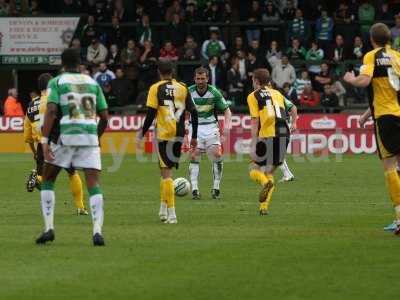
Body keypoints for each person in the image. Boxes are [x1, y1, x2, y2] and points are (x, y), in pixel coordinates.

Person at [35, 49, 109, 246]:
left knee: (48, 177)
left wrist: (43, 141)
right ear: (80, 63)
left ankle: (49, 228)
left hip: (67, 135)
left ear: (63, 63)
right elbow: (105, 117)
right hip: (90, 136)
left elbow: (51, 111)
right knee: (93, 183)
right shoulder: (93, 82)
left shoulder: (56, 82)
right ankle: (97, 232)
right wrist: (97, 136)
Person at [343, 23, 400, 235]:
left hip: (385, 117)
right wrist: (366, 115)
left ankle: (399, 217)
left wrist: (350, 79)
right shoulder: (397, 57)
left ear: (372, 39)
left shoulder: (371, 56)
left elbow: (365, 81)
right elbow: (391, 90)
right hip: (397, 112)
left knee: (390, 166)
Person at [136, 61, 198, 224]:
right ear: (172, 71)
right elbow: (194, 112)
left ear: (159, 72)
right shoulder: (183, 87)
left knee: (166, 174)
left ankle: (172, 214)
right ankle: (163, 210)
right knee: (166, 171)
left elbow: (150, 114)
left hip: (164, 134)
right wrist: (194, 136)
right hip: (178, 134)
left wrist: (141, 133)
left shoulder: (155, 88)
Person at [24, 73, 88, 215]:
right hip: (59, 140)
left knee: (46, 178)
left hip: (41, 145)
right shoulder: (56, 99)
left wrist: (35, 153)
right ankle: (80, 207)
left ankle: (37, 180)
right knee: (72, 173)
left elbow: (27, 136)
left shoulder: (31, 106)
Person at [247, 69, 294, 215]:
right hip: (284, 135)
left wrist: (254, 143)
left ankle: (265, 183)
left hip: (267, 135)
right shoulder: (277, 93)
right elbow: (292, 108)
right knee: (269, 172)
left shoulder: (253, 96)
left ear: (256, 81)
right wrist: (295, 123)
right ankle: (263, 208)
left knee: (254, 168)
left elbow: (255, 121)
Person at [188, 67, 232, 200]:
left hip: (211, 128)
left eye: (203, 78)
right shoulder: (188, 92)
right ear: (194, 79)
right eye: (198, 78)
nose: (200, 81)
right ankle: (195, 189)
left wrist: (227, 128)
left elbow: (227, 111)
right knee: (194, 156)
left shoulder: (214, 93)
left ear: (207, 78)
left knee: (217, 154)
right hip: (194, 127)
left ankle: (216, 187)